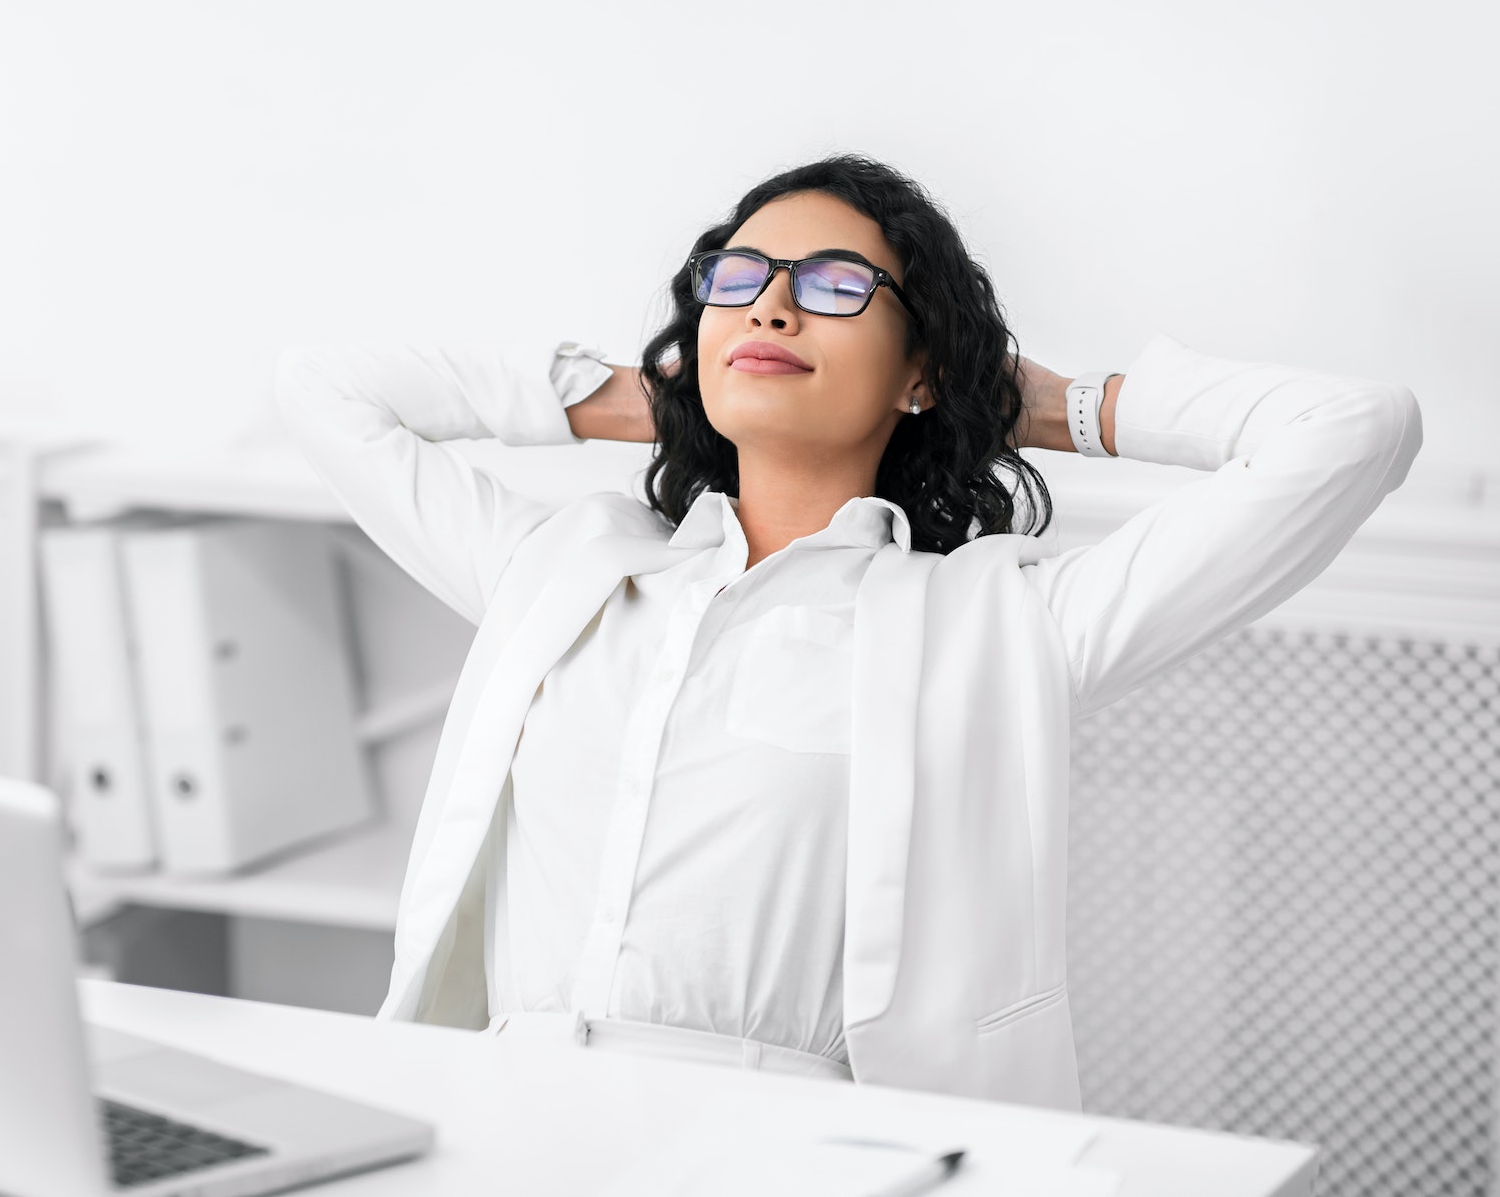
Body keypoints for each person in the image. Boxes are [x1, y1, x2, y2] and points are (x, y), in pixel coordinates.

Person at [272, 154, 1423, 1109]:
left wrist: (1039, 401)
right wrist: (652, 392)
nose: (770, 304)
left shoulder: (998, 629)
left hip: (793, 1145)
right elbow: (324, 389)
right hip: (498, 1117)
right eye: (739, 280)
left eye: (833, 286)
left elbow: (1349, 430)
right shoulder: (562, 571)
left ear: (918, 369)